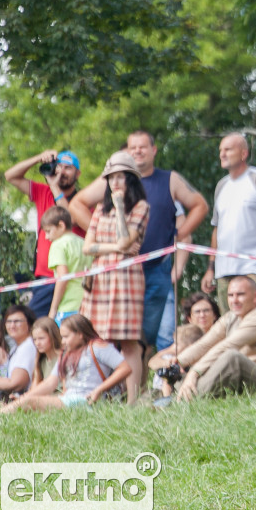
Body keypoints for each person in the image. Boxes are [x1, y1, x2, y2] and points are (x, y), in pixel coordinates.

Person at [70, 131, 209, 352]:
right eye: (133, 147)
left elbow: (200, 205)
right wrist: (107, 242)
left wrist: (179, 234)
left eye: (143, 147)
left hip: (155, 269)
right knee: (107, 333)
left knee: (146, 337)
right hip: (116, 270)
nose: (138, 151)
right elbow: (77, 204)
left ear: (153, 151)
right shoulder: (112, 180)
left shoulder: (169, 179)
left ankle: (140, 385)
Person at [80, 151, 151, 405]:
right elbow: (88, 247)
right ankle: (98, 395)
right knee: (97, 338)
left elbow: (125, 239)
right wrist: (115, 248)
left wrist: (120, 207)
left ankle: (131, 402)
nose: (115, 182)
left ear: (130, 180)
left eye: (120, 177)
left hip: (126, 279)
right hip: (100, 277)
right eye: (111, 178)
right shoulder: (99, 208)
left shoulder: (141, 207)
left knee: (128, 340)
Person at [200, 133, 256, 313]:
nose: (222, 154)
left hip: (254, 269)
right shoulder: (221, 185)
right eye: (220, 150)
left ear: (243, 154)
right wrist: (211, 268)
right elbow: (217, 229)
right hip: (224, 272)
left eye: (228, 150)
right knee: (230, 330)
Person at [176, 276, 256, 400]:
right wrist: (178, 361)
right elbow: (205, 344)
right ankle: (175, 394)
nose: (234, 300)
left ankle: (186, 400)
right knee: (175, 373)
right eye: (230, 295)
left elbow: (227, 346)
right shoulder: (230, 317)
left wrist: (195, 372)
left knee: (232, 357)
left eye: (240, 295)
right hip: (247, 382)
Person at [3, 149, 85, 316]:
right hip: (44, 276)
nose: (61, 172)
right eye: (58, 166)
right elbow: (10, 176)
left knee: (44, 323)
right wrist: (38, 158)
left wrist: (54, 187)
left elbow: (69, 218)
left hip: (70, 278)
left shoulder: (83, 199)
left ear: (78, 174)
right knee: (39, 327)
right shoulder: (43, 192)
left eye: (68, 168)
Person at [0, 315, 130, 412]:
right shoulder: (66, 353)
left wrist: (99, 390)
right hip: (68, 399)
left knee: (29, 403)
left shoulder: (98, 347)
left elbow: (125, 368)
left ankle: (3, 414)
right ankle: (6, 411)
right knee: (26, 404)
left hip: (88, 400)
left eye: (66, 336)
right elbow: (50, 383)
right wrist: (23, 398)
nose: (62, 341)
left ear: (80, 334)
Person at [40, 207, 92, 324]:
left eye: (48, 231)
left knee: (63, 341)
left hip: (68, 305)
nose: (47, 237)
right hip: (87, 302)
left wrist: (53, 309)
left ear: (61, 226)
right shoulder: (83, 242)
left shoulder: (58, 245)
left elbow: (63, 278)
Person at [0, 305, 39, 400]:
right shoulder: (17, 347)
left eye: (17, 321)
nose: (12, 325)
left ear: (29, 324)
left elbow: (16, 383)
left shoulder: (28, 346)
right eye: (8, 321)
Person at [147, 323, 205, 401]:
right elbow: (152, 363)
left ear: (190, 346)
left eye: (177, 344)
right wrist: (167, 363)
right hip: (160, 391)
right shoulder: (172, 358)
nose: (173, 346)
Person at [30, 317, 63, 389]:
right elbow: (34, 389)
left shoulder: (63, 358)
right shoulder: (41, 361)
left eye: (41, 338)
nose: (37, 343)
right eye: (35, 339)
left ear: (53, 337)